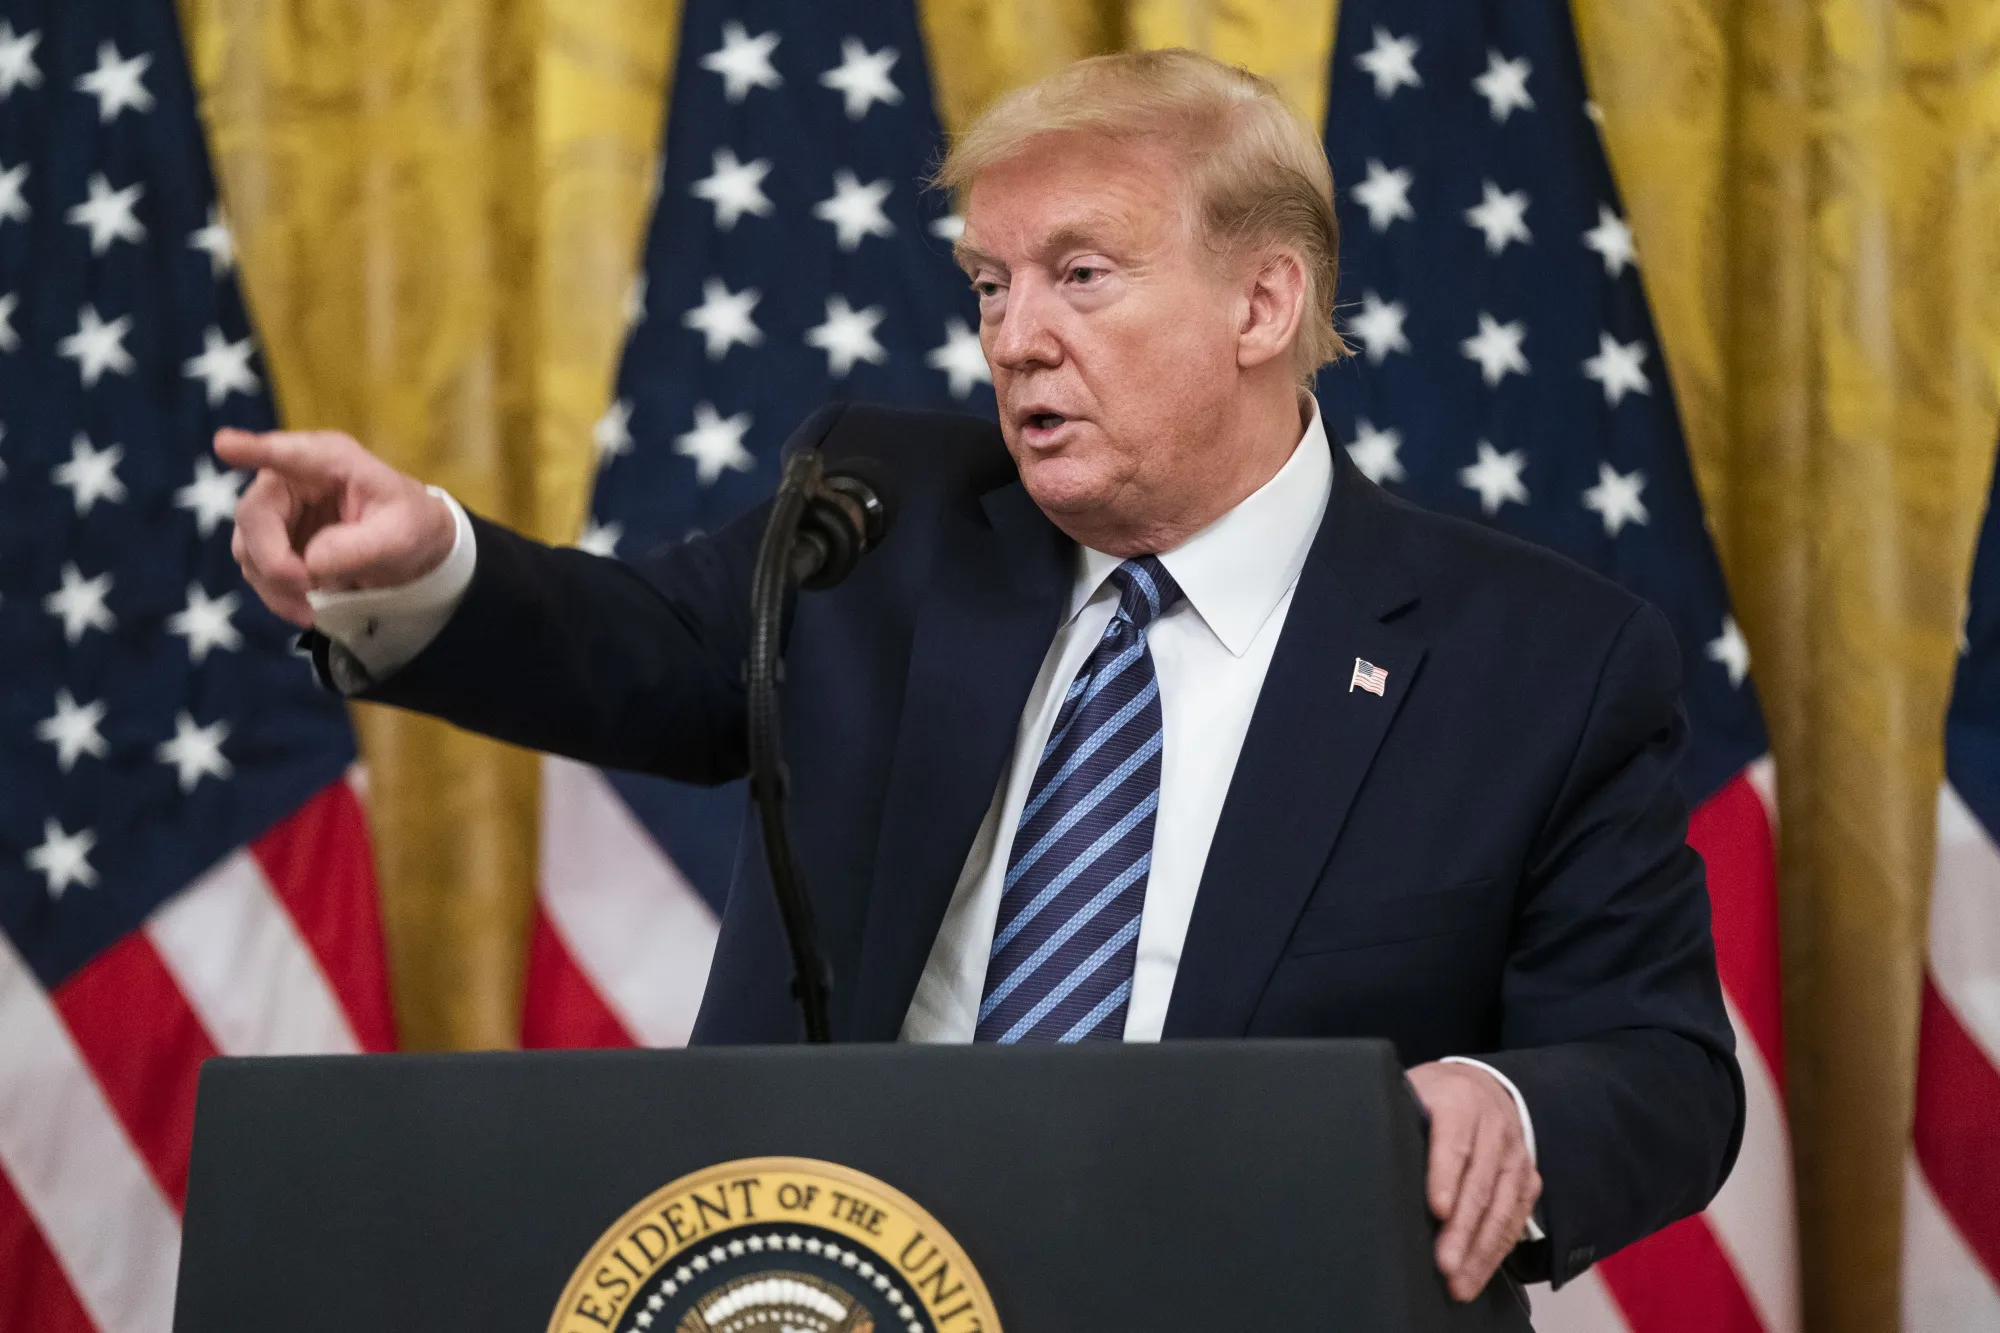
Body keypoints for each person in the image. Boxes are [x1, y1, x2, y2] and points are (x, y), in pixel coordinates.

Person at [217, 49, 1742, 1307]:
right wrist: (419, 565)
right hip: (839, 1285)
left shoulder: (1536, 659)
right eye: (991, 286)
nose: (1017, 341)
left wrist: (1511, 1106)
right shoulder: (884, 516)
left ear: (1263, 306)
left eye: (1081, 276)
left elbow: (1665, 1068)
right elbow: (644, 652)